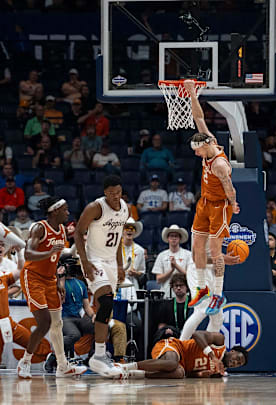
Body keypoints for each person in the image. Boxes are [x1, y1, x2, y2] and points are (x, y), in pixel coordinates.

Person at [183, 80, 240, 316]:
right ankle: (202, 289)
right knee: (197, 247)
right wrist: (191, 95)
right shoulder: (209, 141)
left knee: (215, 252)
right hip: (205, 202)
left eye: (198, 150)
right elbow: (199, 119)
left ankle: (218, 293)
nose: (196, 154)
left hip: (219, 206)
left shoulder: (219, 164)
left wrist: (233, 205)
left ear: (206, 147)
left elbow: (230, 188)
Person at [17, 196, 86, 378]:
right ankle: (25, 361)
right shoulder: (39, 228)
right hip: (32, 277)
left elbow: (54, 259)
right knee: (45, 322)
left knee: (58, 323)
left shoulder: (62, 230)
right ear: (55, 211)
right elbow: (28, 254)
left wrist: (57, 280)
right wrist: (49, 252)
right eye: (65, 209)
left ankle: (62, 366)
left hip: (49, 279)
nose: (68, 212)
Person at [74, 175, 129, 377]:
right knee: (105, 302)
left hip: (111, 263)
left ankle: (99, 355)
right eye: (112, 193)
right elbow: (78, 233)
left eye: (119, 192)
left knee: (106, 308)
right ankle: (98, 355)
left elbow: (119, 240)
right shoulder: (95, 208)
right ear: (105, 193)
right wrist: (85, 262)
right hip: (94, 260)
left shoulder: (124, 208)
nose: (116, 197)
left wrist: (120, 265)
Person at [0, 256, 52, 366]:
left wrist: (18, 250)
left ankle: (52, 359)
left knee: (34, 342)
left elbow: (20, 269)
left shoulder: (4, 279)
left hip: (8, 322)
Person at [112, 331, 248, 379]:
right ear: (232, 351)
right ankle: (124, 366)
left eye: (239, 364)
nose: (236, 362)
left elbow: (189, 375)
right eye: (238, 358)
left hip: (182, 365)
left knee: (178, 374)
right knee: (172, 364)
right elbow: (196, 334)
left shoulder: (219, 373)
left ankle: (133, 375)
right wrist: (212, 357)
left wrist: (201, 375)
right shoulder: (219, 342)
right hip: (174, 346)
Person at [58, 259, 95, 361]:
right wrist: (61, 278)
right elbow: (61, 300)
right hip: (63, 317)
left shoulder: (80, 284)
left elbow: (86, 306)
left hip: (77, 318)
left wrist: (93, 316)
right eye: (70, 265)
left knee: (101, 327)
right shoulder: (57, 283)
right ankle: (54, 355)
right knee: (74, 335)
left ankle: (92, 357)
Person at [152, 225, 192, 298]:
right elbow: (158, 279)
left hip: (184, 295)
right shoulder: (161, 255)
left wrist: (176, 266)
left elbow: (191, 276)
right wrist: (171, 270)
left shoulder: (188, 255)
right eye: (171, 236)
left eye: (176, 236)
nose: (174, 238)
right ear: (168, 238)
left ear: (180, 238)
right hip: (166, 293)